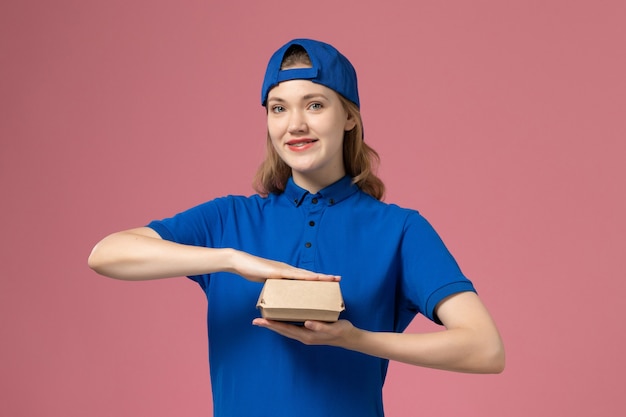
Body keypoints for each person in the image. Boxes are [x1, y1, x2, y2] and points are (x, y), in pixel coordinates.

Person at [88, 38, 505, 417]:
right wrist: (232, 260)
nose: (295, 125)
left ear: (349, 117)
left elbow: (484, 349)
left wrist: (355, 339)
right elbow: (107, 254)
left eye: (315, 104)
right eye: (279, 108)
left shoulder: (400, 230)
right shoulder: (229, 220)